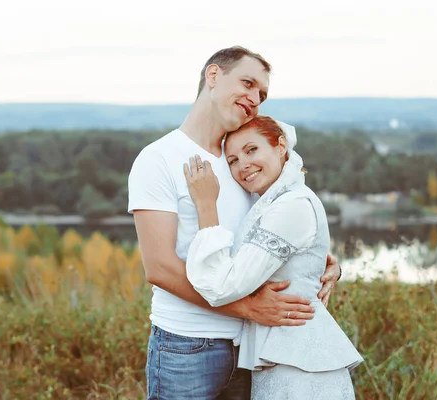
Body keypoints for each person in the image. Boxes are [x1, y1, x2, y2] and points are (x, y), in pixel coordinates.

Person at [127, 46, 342, 400]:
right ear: (213, 76)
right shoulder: (159, 159)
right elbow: (160, 268)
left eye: (262, 94)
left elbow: (272, 230)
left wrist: (321, 263)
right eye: (248, 82)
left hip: (251, 348)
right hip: (186, 347)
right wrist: (245, 307)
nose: (255, 97)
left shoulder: (244, 160)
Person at [184, 116, 363, 400]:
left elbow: (223, 287)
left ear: (281, 147)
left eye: (251, 150)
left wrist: (206, 206)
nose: (242, 164)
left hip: (300, 364)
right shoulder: (274, 201)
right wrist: (325, 264)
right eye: (232, 160)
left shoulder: (291, 206)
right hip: (283, 357)